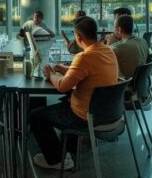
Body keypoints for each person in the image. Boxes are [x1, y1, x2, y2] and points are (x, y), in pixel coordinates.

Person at [30, 16, 118, 170]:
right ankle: (69, 149)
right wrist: (61, 68)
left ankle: (57, 160)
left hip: (86, 116)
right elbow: (85, 72)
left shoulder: (84, 57)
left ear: (78, 36)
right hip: (108, 112)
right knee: (66, 101)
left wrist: (51, 74)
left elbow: (62, 86)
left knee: (36, 116)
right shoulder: (107, 50)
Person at [110, 15, 149, 79]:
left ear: (119, 29)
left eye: (114, 28)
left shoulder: (119, 48)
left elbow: (106, 54)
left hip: (125, 82)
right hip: (141, 81)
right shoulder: (143, 41)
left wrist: (109, 43)